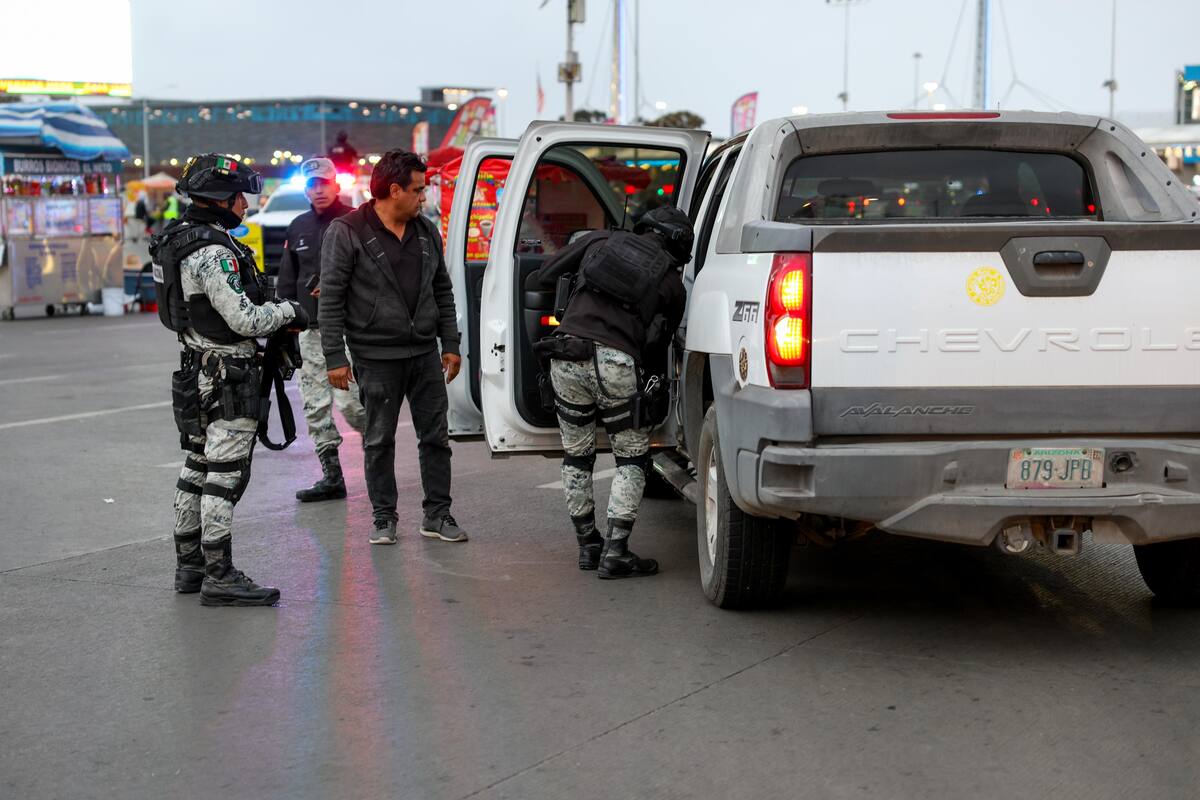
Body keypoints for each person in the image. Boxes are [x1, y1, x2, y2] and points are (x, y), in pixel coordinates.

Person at [151, 153, 308, 606]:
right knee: (223, 474)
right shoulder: (214, 252)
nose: (244, 204)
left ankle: (190, 567)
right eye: (238, 195)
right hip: (227, 374)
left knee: (196, 468)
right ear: (220, 198)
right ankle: (219, 574)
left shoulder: (175, 240)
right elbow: (243, 318)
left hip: (196, 369)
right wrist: (290, 311)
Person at [319, 149, 468, 546]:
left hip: (423, 355)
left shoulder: (426, 231)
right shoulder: (346, 231)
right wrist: (335, 357)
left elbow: (442, 290)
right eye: (418, 190)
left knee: (436, 438)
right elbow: (330, 298)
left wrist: (450, 343)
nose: (424, 198)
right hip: (374, 357)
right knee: (378, 441)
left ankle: (437, 514)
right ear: (395, 189)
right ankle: (384, 518)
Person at [533, 207, 692, 578]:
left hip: (566, 353)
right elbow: (659, 347)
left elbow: (544, 275)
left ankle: (589, 546)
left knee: (577, 456)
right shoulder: (673, 285)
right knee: (631, 459)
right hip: (616, 362)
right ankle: (616, 552)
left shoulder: (601, 240)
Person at [276, 158, 366, 502]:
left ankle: (378, 460)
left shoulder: (356, 220)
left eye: (323, 183)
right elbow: (288, 278)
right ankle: (332, 476)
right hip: (309, 331)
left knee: (351, 404)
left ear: (336, 185)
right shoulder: (297, 226)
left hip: (347, 330)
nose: (318, 190)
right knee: (315, 406)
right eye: (312, 185)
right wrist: (283, 323)